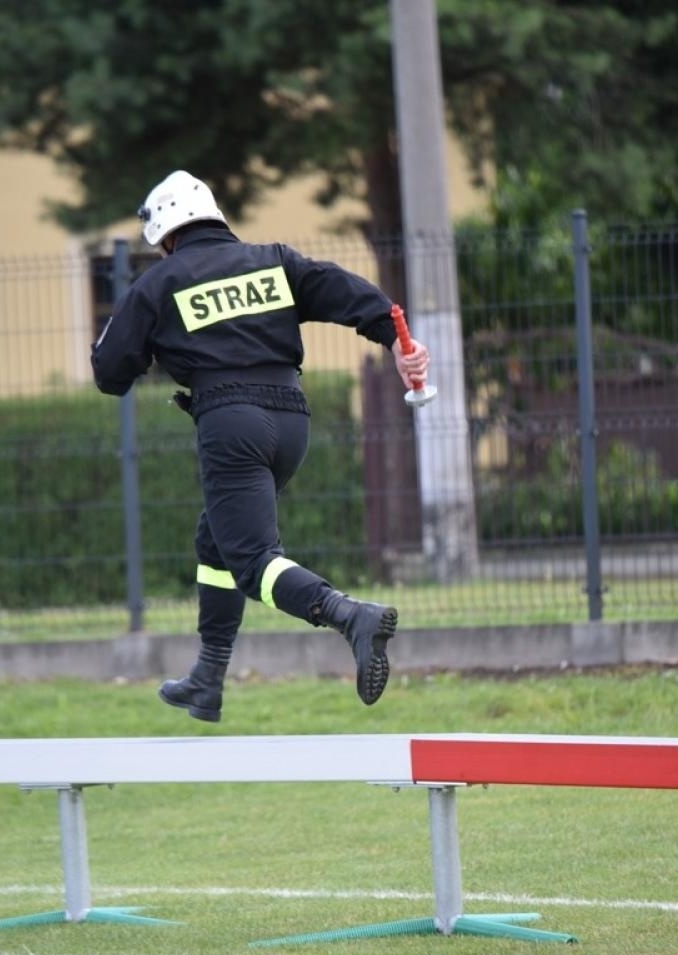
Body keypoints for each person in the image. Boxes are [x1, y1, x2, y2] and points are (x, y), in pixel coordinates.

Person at [91, 170, 430, 723]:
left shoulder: (159, 284)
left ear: (167, 236)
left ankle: (349, 616)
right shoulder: (272, 259)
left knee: (252, 562)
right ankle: (207, 677)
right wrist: (396, 340)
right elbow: (347, 292)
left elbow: (110, 373)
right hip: (291, 421)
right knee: (216, 540)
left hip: (231, 423)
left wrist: (139, 340)